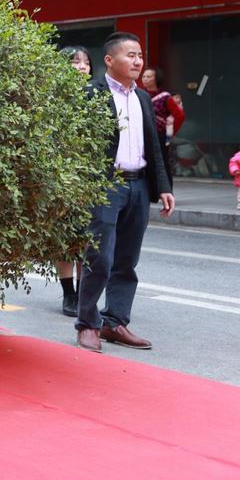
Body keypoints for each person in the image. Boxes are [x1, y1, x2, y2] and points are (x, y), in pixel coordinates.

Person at [76, 32, 174, 353]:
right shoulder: (91, 94)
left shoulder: (143, 98)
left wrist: (163, 187)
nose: (138, 61)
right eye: (130, 55)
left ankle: (115, 322)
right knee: (99, 258)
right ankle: (88, 324)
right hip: (106, 185)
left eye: (140, 55)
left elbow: (155, 148)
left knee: (127, 260)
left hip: (138, 185)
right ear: (109, 60)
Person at [56, 45, 92, 317]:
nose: (81, 67)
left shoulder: (97, 97)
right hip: (63, 178)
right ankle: (69, 294)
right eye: (75, 62)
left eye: (85, 63)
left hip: (92, 180)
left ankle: (84, 292)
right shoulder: (54, 98)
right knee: (66, 239)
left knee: (89, 239)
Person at [139, 67, 185, 188]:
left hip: (159, 135)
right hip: (141, 134)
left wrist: (170, 134)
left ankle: (167, 190)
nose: (145, 79)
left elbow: (179, 116)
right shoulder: (138, 94)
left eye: (149, 76)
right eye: (144, 76)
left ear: (156, 79)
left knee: (162, 163)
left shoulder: (165, 97)